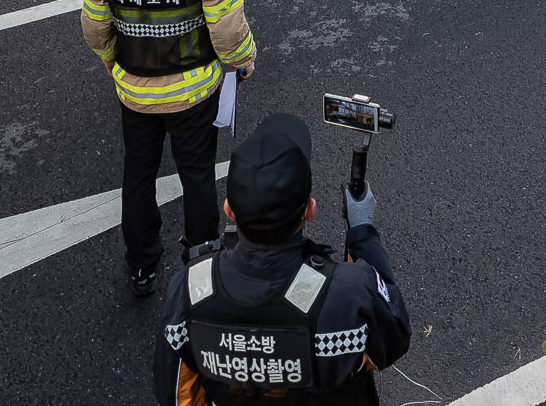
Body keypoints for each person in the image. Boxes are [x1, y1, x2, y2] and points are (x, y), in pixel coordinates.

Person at [82, 0, 257, 298]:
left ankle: (141, 266)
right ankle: (201, 261)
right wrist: (243, 63)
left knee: (137, 175)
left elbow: (96, 26)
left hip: (134, 95)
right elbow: (228, 26)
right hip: (193, 94)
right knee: (197, 175)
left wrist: (111, 65)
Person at [157, 111, 412, 403]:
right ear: (310, 211)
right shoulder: (350, 292)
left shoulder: (188, 289)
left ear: (229, 210)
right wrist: (362, 234)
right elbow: (391, 340)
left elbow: (179, 396)